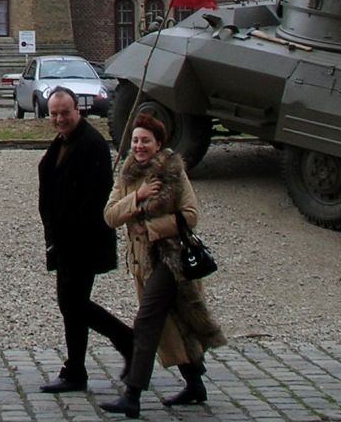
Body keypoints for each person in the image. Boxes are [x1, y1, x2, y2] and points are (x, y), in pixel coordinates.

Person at [99, 111, 225, 417]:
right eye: (136, 140)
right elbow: (110, 216)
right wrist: (138, 198)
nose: (140, 146)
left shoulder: (173, 172)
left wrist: (155, 228)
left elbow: (191, 215)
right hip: (142, 263)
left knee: (147, 322)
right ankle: (195, 382)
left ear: (158, 144)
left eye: (146, 141)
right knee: (173, 322)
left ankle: (132, 394)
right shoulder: (128, 174)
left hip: (170, 261)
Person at [36, 86, 133, 393]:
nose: (60, 119)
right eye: (54, 114)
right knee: (71, 305)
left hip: (83, 241)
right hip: (64, 240)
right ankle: (77, 368)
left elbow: (94, 201)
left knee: (73, 303)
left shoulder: (91, 145)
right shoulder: (63, 141)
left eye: (65, 113)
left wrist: (65, 231)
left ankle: (125, 341)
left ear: (78, 110)